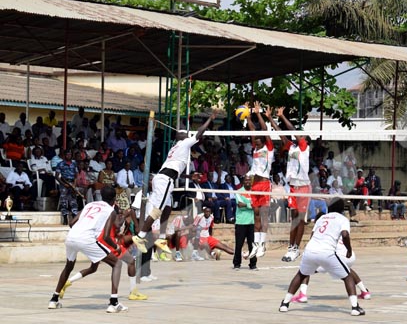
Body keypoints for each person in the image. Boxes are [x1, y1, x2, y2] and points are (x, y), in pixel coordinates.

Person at [131, 111, 218, 255]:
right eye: (186, 134)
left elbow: (175, 170)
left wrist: (189, 176)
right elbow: (199, 134)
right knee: (157, 210)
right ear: (183, 136)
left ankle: (162, 238)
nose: (189, 136)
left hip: (166, 179)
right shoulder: (183, 143)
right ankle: (140, 237)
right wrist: (210, 118)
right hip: (165, 180)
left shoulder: (175, 148)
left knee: (167, 208)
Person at [47, 186, 135, 313]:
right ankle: (114, 303)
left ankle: (54, 300)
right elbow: (105, 236)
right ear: (114, 199)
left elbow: (71, 223)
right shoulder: (111, 211)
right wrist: (116, 247)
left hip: (71, 237)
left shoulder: (90, 205)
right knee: (117, 263)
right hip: (87, 238)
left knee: (68, 266)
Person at [279, 198, 365, 316]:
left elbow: (313, 235)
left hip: (310, 250)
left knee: (301, 275)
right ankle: (355, 307)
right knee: (347, 277)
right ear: (341, 209)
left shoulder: (322, 218)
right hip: (326, 252)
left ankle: (284, 304)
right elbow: (345, 235)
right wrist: (349, 250)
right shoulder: (342, 219)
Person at [267, 107, 311, 262]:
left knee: (300, 219)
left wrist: (283, 116)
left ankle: (296, 248)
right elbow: (281, 133)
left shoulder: (304, 147)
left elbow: (292, 130)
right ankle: (291, 247)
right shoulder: (291, 146)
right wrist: (271, 119)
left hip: (304, 186)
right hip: (293, 186)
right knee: (293, 218)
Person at [246, 102, 274, 259]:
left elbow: (263, 130)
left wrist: (259, 114)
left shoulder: (268, 147)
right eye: (254, 141)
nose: (255, 142)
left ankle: (263, 244)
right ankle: (255, 245)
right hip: (254, 185)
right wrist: (248, 117)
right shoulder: (256, 148)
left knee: (263, 215)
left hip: (264, 183)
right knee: (255, 214)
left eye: (257, 140)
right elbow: (252, 131)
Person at [233, 174, 258, 270]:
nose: (247, 182)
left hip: (251, 222)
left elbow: (256, 204)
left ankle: (253, 264)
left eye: (249, 180)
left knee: (252, 245)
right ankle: (237, 264)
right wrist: (250, 205)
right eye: (246, 180)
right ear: (243, 182)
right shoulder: (239, 192)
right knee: (239, 244)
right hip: (241, 222)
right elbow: (240, 204)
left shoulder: (254, 192)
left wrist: (247, 205)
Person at [55, 150, 80, 224]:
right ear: (64, 155)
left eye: (70, 154)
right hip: (64, 183)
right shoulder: (60, 164)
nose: (68, 156)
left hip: (72, 183)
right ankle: (65, 217)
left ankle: (74, 217)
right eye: (67, 154)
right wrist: (63, 184)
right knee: (64, 201)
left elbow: (76, 175)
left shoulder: (74, 163)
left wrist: (74, 184)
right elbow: (57, 176)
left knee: (73, 200)